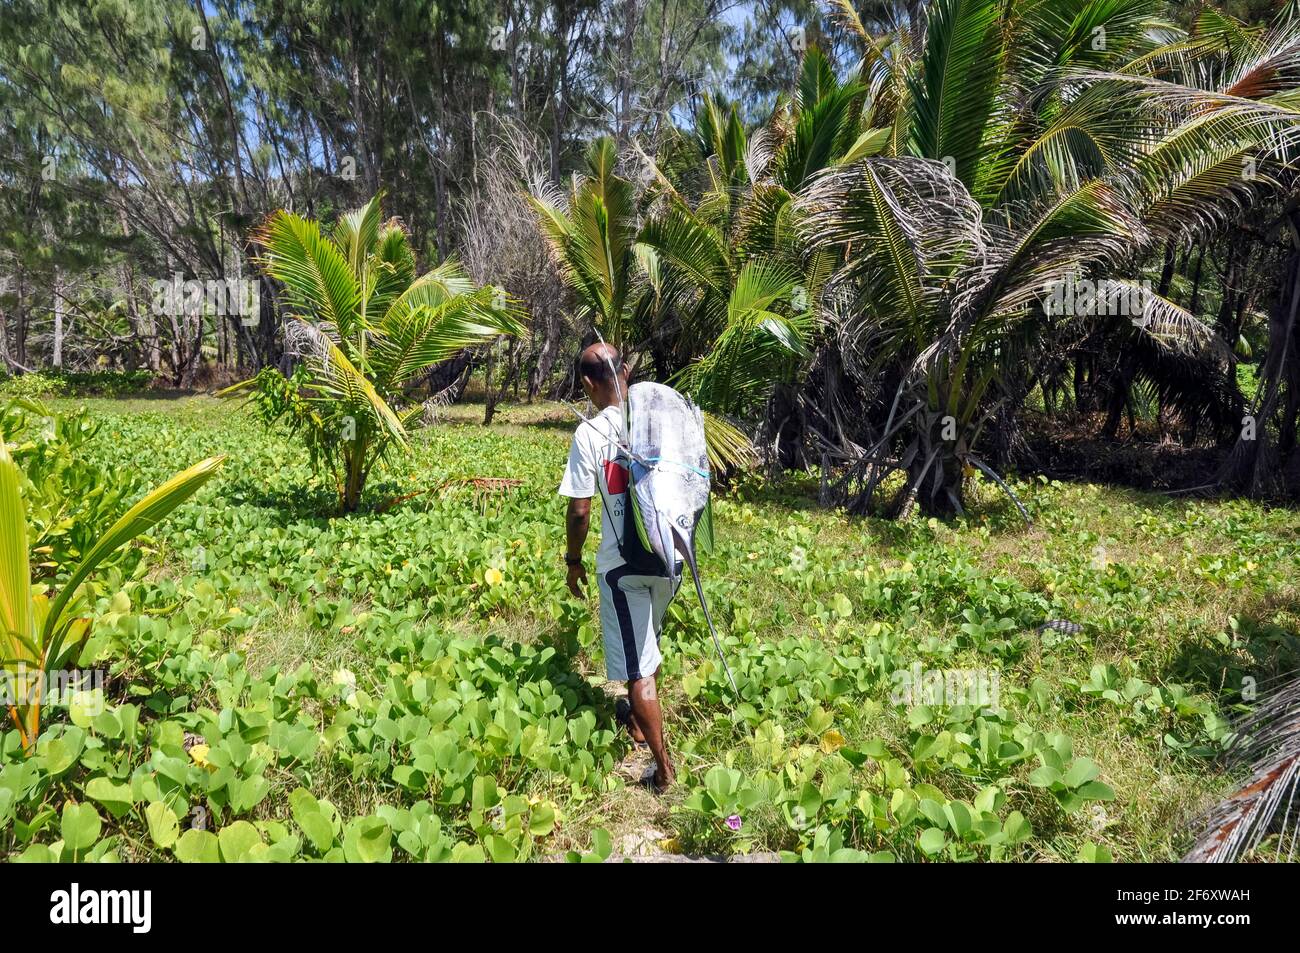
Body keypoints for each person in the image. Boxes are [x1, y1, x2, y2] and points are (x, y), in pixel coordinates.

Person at [558, 342, 679, 792]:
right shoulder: (658, 422)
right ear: (625, 371)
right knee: (647, 643)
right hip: (670, 560)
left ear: (588, 384)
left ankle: (663, 771)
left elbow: (580, 512)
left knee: (637, 672)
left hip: (622, 568)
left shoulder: (589, 435)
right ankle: (636, 723)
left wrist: (573, 562)